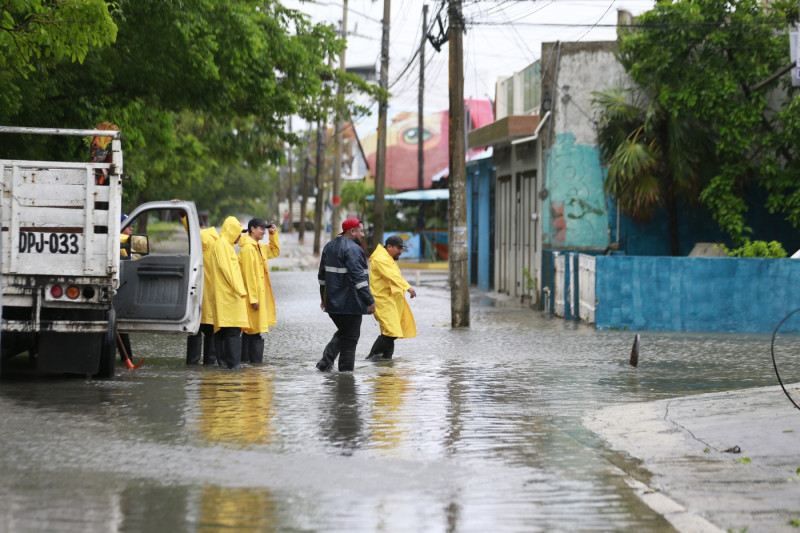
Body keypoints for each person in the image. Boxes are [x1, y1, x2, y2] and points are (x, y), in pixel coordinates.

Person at [316, 218, 376, 372]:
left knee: (345, 332)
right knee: (350, 338)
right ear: (352, 231)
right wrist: (369, 301)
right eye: (361, 231)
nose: (363, 235)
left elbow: (322, 277)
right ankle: (346, 377)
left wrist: (324, 298)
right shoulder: (354, 250)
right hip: (350, 304)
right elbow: (359, 279)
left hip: (334, 304)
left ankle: (325, 363)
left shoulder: (329, 246)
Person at [365, 235, 417, 361]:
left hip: (390, 301)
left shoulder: (387, 258)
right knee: (392, 331)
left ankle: (386, 361)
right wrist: (408, 287)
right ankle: (373, 356)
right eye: (398, 248)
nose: (400, 251)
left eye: (401, 248)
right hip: (382, 301)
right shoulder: (381, 259)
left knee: (390, 332)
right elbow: (392, 276)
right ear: (389, 247)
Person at [238, 217, 280, 364]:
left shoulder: (259, 247)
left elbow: (274, 251)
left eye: (265, 228)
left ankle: (250, 365)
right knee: (251, 331)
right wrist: (253, 299)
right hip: (253, 298)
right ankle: (251, 364)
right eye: (261, 228)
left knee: (254, 330)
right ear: (252, 229)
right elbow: (249, 276)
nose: (264, 231)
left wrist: (273, 234)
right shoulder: (248, 249)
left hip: (259, 297)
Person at [209, 216, 249, 369]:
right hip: (229, 296)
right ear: (231, 230)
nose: (240, 236)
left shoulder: (225, 245)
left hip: (227, 295)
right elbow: (227, 270)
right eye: (238, 232)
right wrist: (240, 290)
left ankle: (225, 367)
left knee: (224, 329)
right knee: (232, 329)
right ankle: (233, 365)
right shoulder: (222, 245)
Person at [186, 221, 220, 365]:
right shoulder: (217, 239)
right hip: (213, 294)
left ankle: (192, 363)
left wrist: (183, 215)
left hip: (200, 293)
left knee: (195, 330)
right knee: (210, 331)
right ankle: (209, 363)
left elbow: (191, 230)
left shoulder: (203, 237)